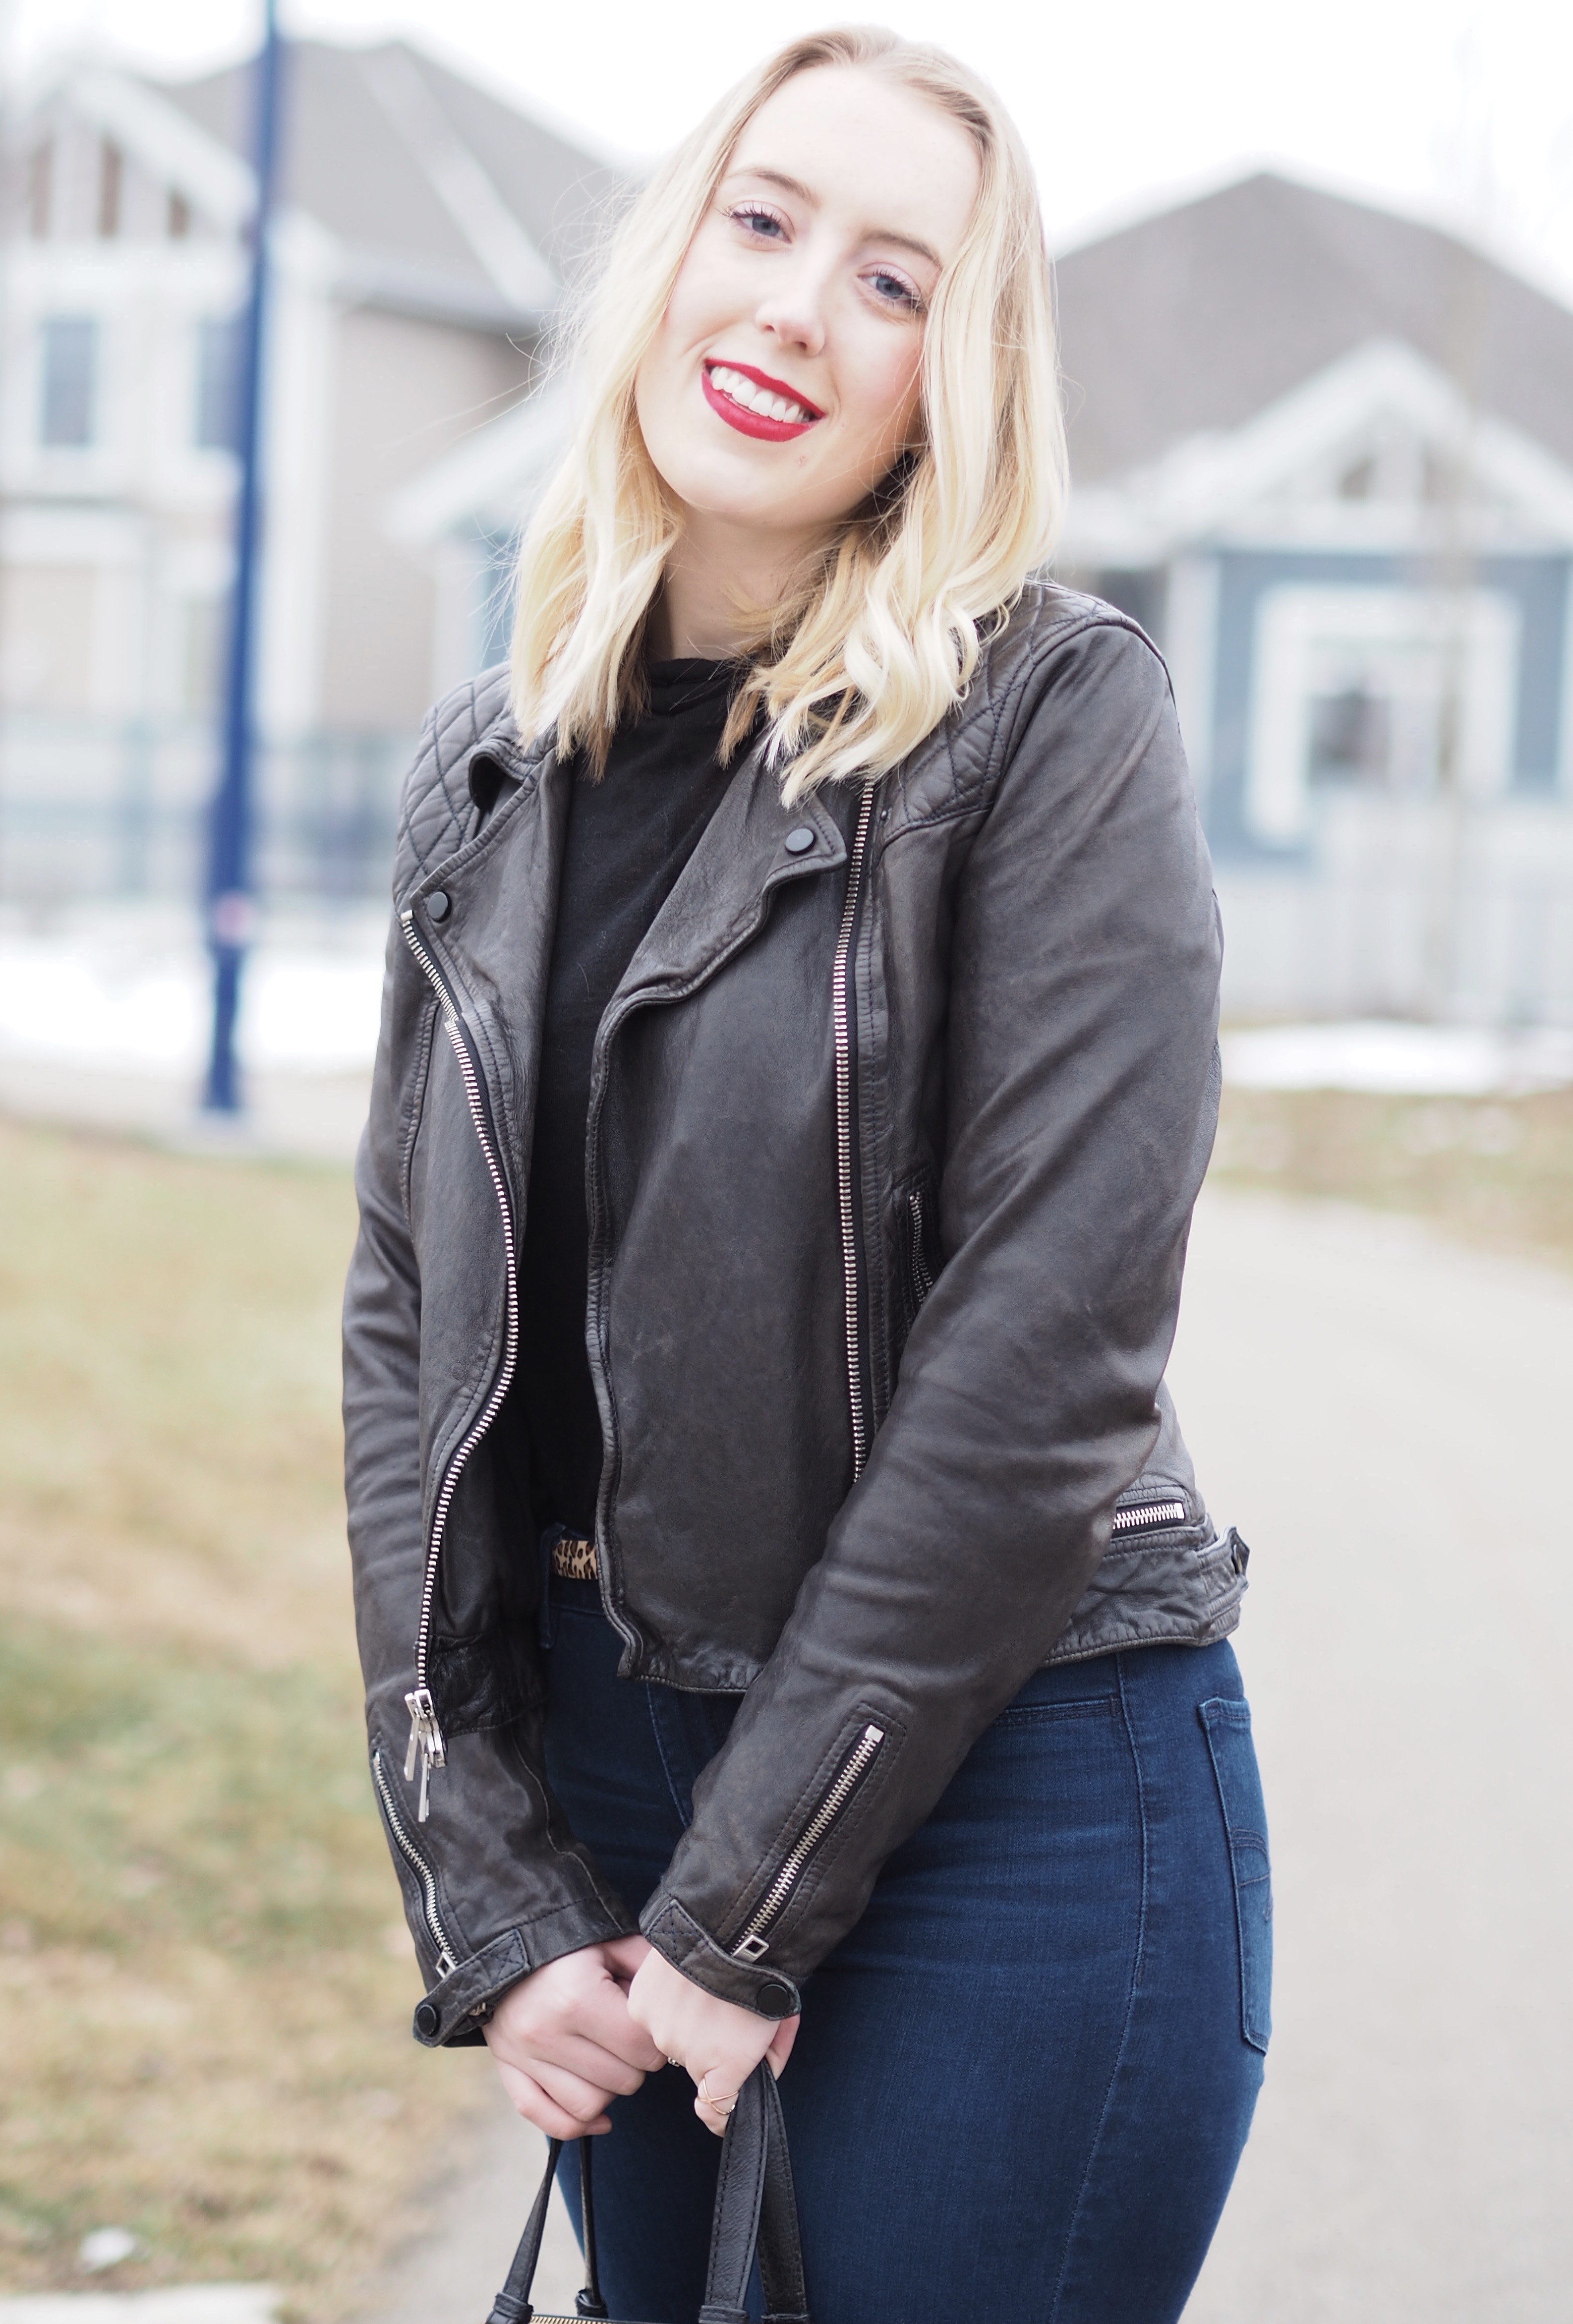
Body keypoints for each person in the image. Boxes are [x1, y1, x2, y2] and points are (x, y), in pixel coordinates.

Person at [343, 26, 1269, 2322]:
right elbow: (404, 1330)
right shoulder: (488, 771)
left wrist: (749, 1905)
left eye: (893, 282)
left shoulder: (1054, 721)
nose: (791, 310)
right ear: (670, 259)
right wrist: (497, 1888)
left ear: (957, 380)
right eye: (762, 225)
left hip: (1017, 1792)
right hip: (619, 1779)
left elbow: (1048, 1351)